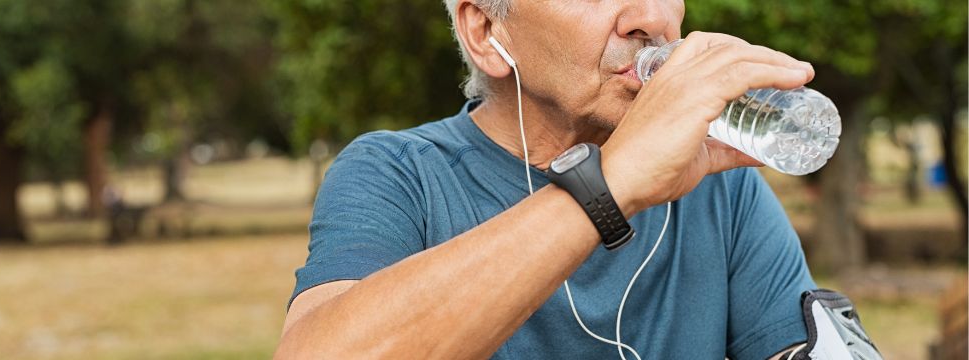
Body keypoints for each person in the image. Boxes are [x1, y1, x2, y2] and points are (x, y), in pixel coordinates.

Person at [275, 1, 874, 359]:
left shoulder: (719, 184)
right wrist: (608, 185)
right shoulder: (401, 174)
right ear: (486, 31)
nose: (651, 18)